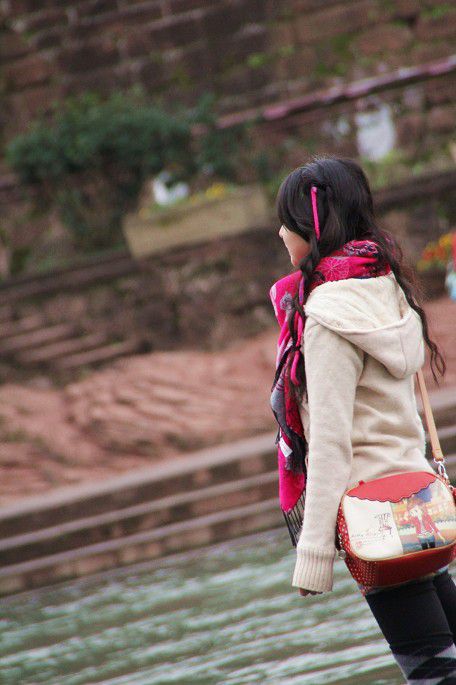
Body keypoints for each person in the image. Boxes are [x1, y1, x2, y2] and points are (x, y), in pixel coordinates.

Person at [272, 156, 456, 684]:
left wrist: (313, 554)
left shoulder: (326, 317)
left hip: (373, 516)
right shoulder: (388, 287)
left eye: (287, 221)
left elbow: (332, 444)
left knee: (432, 674)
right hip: (420, 503)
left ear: (312, 225)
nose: (281, 233)